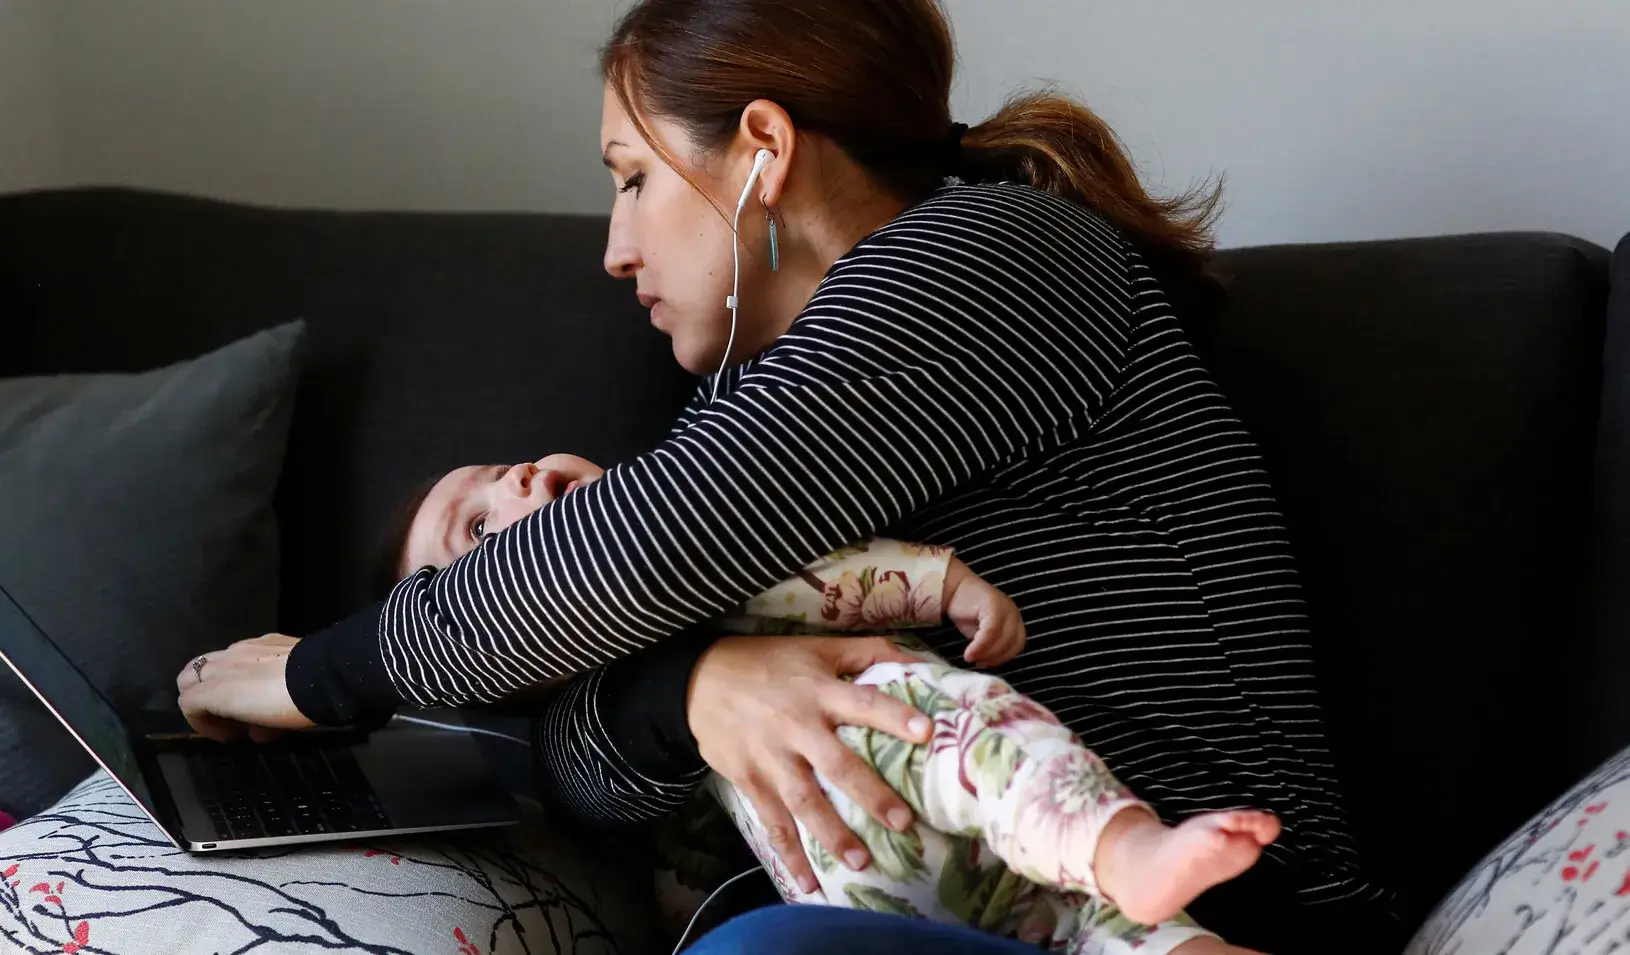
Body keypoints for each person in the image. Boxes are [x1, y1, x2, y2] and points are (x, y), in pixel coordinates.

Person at [174, 1, 1397, 950]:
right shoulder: (767, 395)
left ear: (762, 148)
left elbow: (630, 552)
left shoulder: (995, 256)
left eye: (632, 177)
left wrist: (313, 673)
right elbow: (580, 772)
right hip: (954, 912)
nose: (613, 247)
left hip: (1216, 901)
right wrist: (705, 684)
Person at [377, 453, 1281, 951]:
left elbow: (826, 580)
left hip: (933, 765)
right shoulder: (576, 741)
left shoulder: (682, 557)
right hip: (851, 887)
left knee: (972, 742)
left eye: (505, 466)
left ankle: (1126, 851)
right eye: (479, 531)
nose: (517, 486)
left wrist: (942, 584)